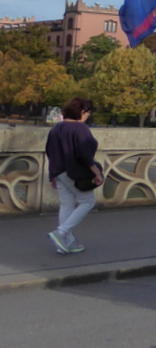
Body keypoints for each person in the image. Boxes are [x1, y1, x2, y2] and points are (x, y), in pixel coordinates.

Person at [45, 97, 103, 254]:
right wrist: (96, 171)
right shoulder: (80, 128)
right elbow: (85, 154)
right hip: (74, 172)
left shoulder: (56, 128)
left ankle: (65, 243)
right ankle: (61, 233)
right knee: (88, 202)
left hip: (59, 172)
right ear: (82, 112)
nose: (88, 115)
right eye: (88, 112)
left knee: (66, 205)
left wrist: (52, 176)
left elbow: (50, 152)